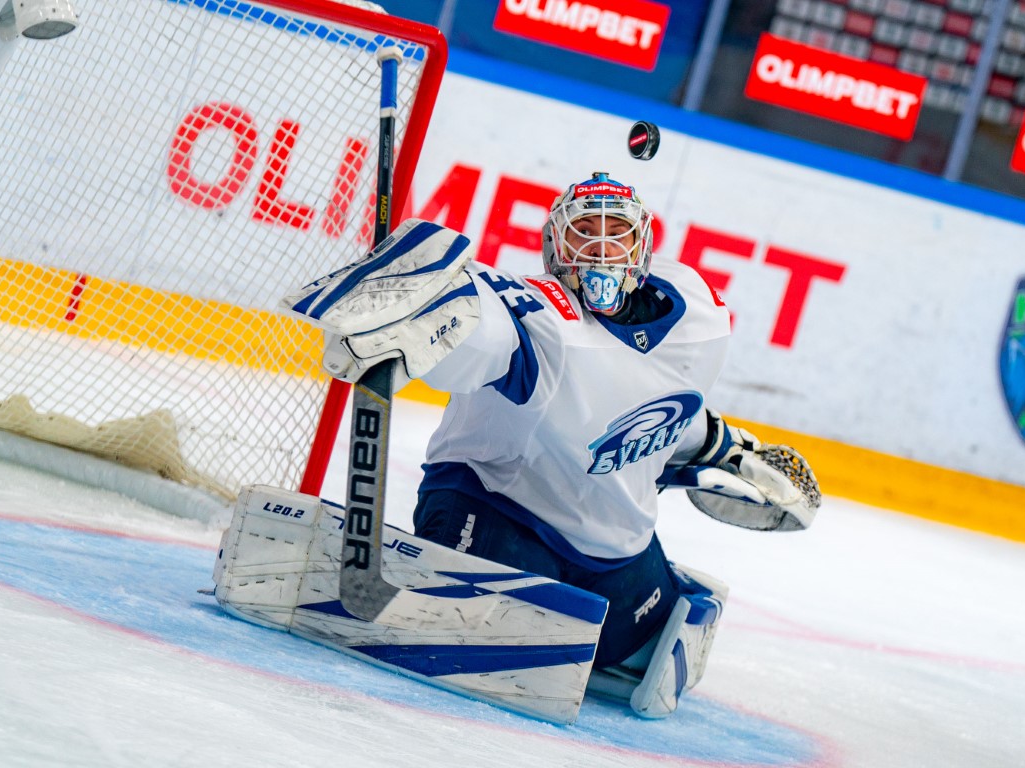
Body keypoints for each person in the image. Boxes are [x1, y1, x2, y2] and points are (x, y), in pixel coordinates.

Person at [290, 171, 821, 718]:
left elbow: (656, 399)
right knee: (491, 639)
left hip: (617, 551)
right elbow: (481, 322)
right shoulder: (536, 314)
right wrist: (411, 310)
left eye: (615, 233)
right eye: (582, 232)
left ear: (643, 248)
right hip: (498, 512)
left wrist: (722, 448)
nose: (599, 247)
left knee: (633, 656)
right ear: (552, 247)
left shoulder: (699, 316)